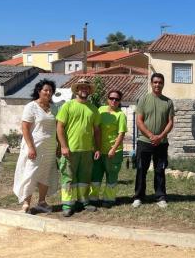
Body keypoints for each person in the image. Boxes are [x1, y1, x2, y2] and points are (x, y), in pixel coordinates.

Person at [56, 78, 101, 217]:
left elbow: (97, 130)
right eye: (81, 87)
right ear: (77, 90)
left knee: (84, 178)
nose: (84, 89)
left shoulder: (93, 109)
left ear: (89, 91)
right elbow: (60, 127)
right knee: (68, 178)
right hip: (70, 150)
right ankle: (67, 204)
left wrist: (97, 148)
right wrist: (63, 146)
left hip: (87, 150)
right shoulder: (67, 106)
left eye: (86, 88)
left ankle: (83, 201)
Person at [13, 79, 59, 214]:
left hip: (49, 147)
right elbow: (25, 128)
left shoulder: (54, 108)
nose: (48, 92)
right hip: (34, 147)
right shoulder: (31, 107)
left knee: (45, 174)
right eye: (45, 90)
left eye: (50, 90)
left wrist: (58, 145)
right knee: (30, 173)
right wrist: (31, 147)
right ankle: (26, 204)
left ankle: (42, 202)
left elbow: (57, 128)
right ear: (39, 91)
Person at [133, 73, 174, 209]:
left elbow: (170, 122)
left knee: (159, 170)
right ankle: (138, 197)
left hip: (161, 143)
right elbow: (139, 121)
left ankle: (160, 196)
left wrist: (160, 136)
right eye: (155, 82)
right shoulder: (143, 99)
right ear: (151, 83)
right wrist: (151, 135)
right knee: (141, 169)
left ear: (163, 84)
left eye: (160, 82)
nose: (157, 85)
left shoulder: (168, 102)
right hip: (144, 141)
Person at [89, 89, 127, 209]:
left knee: (111, 176)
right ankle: (93, 198)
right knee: (96, 175)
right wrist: (95, 147)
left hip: (113, 152)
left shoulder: (120, 115)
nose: (114, 101)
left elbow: (121, 134)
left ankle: (108, 199)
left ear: (120, 101)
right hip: (99, 150)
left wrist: (113, 149)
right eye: (111, 98)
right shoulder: (100, 110)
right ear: (107, 99)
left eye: (117, 99)